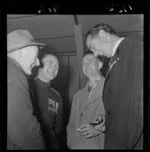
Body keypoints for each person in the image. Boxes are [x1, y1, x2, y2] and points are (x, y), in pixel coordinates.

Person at [85, 23, 143, 149]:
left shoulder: (132, 45)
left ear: (103, 35)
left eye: (93, 47)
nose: (95, 54)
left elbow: (137, 104)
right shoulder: (114, 60)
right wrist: (108, 119)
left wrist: (122, 144)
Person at [7, 29, 46, 149]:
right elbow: (24, 130)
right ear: (20, 53)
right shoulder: (14, 74)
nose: (38, 63)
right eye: (35, 56)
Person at [67, 52, 105, 149]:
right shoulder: (77, 96)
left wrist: (99, 130)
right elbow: (71, 124)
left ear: (100, 65)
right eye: (83, 63)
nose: (86, 65)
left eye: (90, 62)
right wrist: (71, 142)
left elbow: (119, 120)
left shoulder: (111, 89)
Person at [31, 53, 63, 149]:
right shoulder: (27, 88)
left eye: (57, 66)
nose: (54, 67)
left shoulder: (57, 97)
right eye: (50, 63)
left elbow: (58, 128)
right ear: (39, 64)